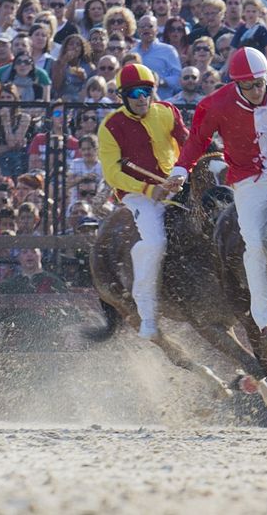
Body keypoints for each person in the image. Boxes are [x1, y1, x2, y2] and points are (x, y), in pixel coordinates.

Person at [168, 47, 267, 344]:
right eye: (248, 86)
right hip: (251, 180)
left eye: (259, 83)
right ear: (236, 84)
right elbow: (198, 140)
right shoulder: (215, 104)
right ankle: (266, 318)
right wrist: (181, 169)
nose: (256, 91)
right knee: (254, 242)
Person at [98, 63, 189, 339]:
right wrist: (149, 189)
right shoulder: (110, 126)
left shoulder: (168, 112)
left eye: (147, 91)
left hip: (175, 185)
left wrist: (183, 172)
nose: (142, 98)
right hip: (140, 197)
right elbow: (113, 174)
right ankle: (147, 314)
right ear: (122, 96)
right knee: (155, 242)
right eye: (135, 92)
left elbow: (187, 144)